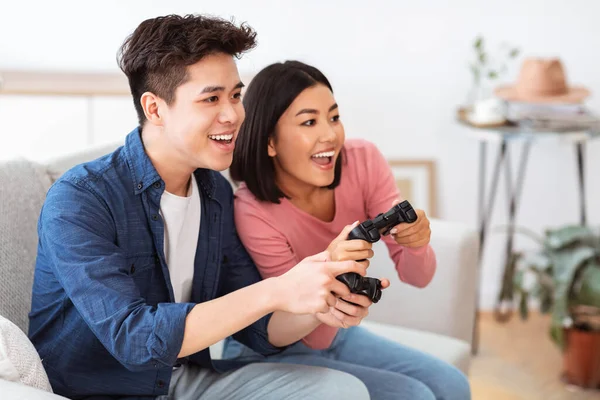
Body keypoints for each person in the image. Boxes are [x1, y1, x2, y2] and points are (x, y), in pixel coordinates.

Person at [28, 16, 373, 400]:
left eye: (236, 95)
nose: (233, 115)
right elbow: (134, 339)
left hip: (183, 379)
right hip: (104, 390)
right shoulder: (81, 198)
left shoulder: (214, 191)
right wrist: (278, 289)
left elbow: (258, 328)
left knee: (341, 390)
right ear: (155, 109)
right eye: (211, 98)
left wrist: (318, 300)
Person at [224, 60, 472, 400]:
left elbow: (419, 277)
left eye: (334, 117)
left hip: (335, 332)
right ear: (271, 142)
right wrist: (330, 267)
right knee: (415, 395)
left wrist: (416, 242)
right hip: (273, 346)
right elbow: (309, 335)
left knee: (452, 384)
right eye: (309, 122)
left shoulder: (364, 160)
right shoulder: (253, 210)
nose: (330, 134)